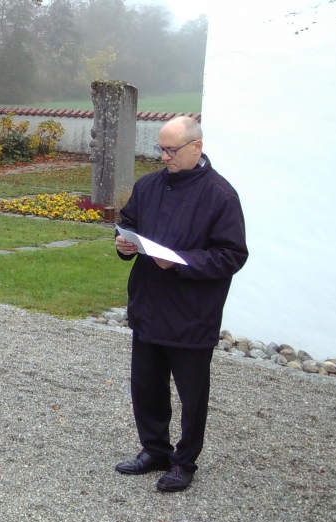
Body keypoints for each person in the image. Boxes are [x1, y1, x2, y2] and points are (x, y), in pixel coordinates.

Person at [114, 116, 248, 491]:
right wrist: (123, 243)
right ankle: (154, 449)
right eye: (161, 149)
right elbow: (128, 223)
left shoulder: (221, 196)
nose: (165, 157)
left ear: (197, 147)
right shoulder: (149, 186)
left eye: (172, 150)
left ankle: (184, 461)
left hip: (191, 311)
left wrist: (182, 261)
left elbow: (231, 255)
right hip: (149, 303)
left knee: (192, 395)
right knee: (146, 385)